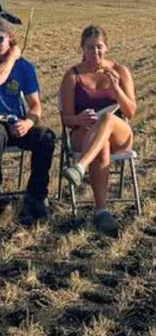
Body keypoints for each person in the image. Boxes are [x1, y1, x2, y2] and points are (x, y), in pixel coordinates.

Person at [0, 17, 56, 225]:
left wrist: (28, 123)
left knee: (46, 138)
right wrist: (13, 57)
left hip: (13, 121)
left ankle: (36, 195)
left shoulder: (25, 68)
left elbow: (35, 106)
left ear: (11, 38)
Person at [59, 25, 137, 235]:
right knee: (100, 144)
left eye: (99, 47)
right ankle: (101, 211)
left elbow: (130, 111)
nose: (95, 53)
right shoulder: (72, 76)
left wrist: (117, 88)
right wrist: (79, 118)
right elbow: (66, 119)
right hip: (84, 130)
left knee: (108, 119)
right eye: (90, 48)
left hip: (118, 132)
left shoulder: (120, 71)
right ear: (82, 49)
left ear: (107, 47)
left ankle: (80, 166)